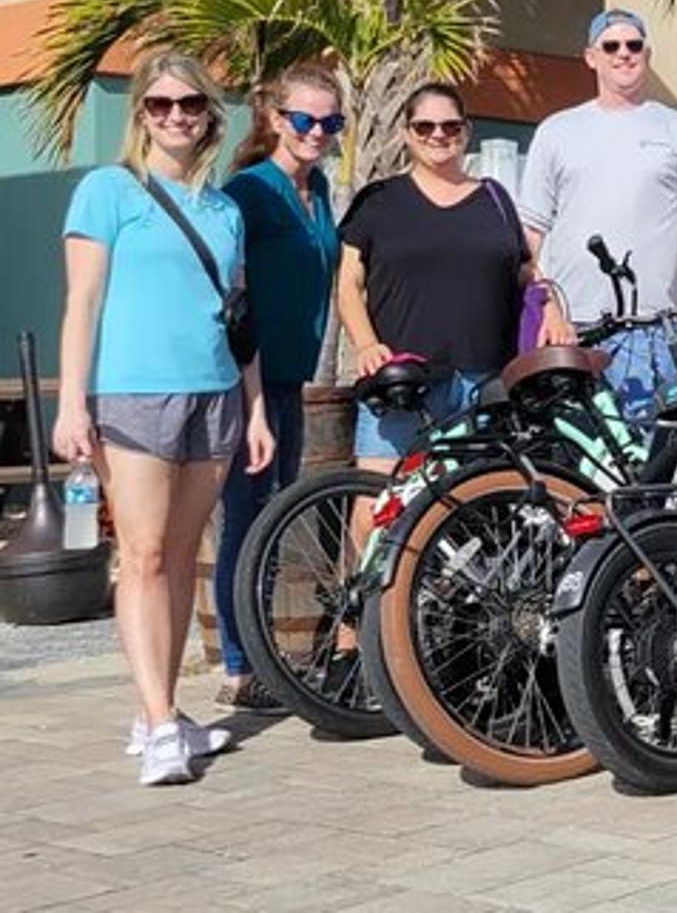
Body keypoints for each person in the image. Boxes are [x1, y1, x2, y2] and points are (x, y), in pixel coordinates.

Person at [51, 51, 276, 785]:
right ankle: (155, 721)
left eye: (190, 103)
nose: (176, 116)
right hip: (132, 392)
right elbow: (82, 301)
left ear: (211, 114)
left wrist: (255, 407)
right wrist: (72, 401)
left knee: (181, 557)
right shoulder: (108, 190)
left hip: (214, 392)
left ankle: (166, 710)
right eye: (160, 104)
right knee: (142, 554)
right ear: (141, 114)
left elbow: (239, 318)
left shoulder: (224, 208)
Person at [518, 9, 677, 411]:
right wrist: (547, 309)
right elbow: (528, 235)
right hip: (573, 331)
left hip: (655, 331)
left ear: (646, 54)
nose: (623, 54)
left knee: (655, 446)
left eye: (634, 45)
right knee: (574, 447)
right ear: (590, 57)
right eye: (611, 46)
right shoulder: (556, 132)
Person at [337, 84, 559, 464]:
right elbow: (348, 284)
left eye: (450, 126)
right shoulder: (378, 202)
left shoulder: (494, 199)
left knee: (474, 496)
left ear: (466, 131)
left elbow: (525, 270)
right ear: (407, 133)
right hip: (402, 381)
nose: (438, 135)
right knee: (378, 493)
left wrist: (552, 308)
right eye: (424, 127)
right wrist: (367, 345)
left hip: (483, 384)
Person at [213, 66, 344, 713]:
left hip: (293, 378)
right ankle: (239, 667)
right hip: (250, 381)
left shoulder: (318, 189)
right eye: (303, 119)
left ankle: (259, 653)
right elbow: (229, 292)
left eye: (329, 121)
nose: (316, 131)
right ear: (274, 118)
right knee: (246, 520)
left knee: (272, 519)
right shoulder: (249, 191)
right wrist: (251, 396)